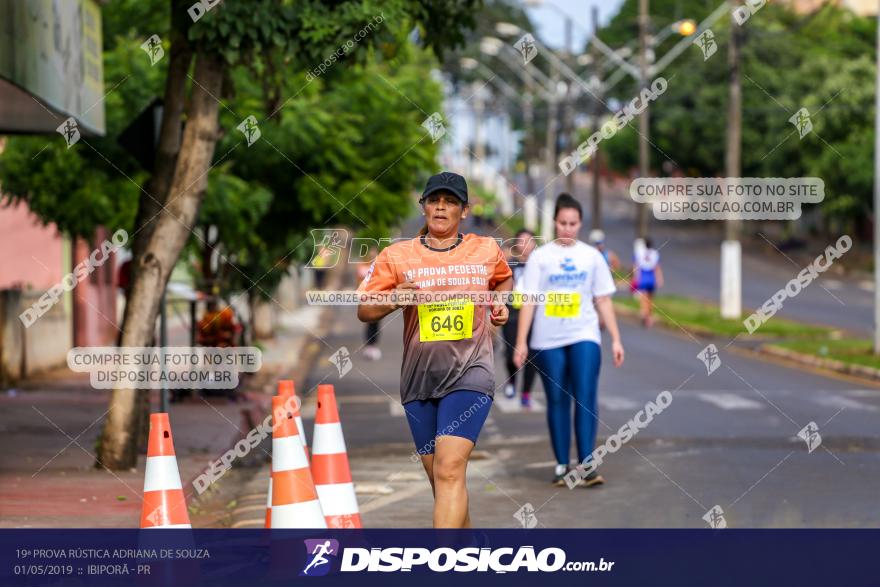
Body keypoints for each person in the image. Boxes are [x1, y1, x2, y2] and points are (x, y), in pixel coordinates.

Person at [357, 171, 513, 527]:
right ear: (424, 206)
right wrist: (396, 299)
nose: (441, 207)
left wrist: (499, 304)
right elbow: (365, 308)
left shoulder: (485, 249)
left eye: (451, 201)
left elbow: (503, 277)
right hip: (419, 379)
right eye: (434, 200)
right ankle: (468, 555)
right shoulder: (397, 255)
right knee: (443, 481)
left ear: (465, 211)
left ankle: (442, 564)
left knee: (449, 469)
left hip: (471, 371)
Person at [514, 193, 625, 487]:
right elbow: (529, 301)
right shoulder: (540, 256)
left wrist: (615, 338)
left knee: (586, 394)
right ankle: (562, 465)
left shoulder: (591, 257)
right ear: (554, 223)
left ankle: (587, 464)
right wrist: (522, 342)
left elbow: (602, 299)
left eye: (573, 223)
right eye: (562, 223)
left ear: (580, 224)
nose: (567, 228)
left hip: (583, 332)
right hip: (547, 337)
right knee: (557, 398)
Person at [501, 229, 538, 408]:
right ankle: (511, 381)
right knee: (510, 354)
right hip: (512, 313)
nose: (526, 245)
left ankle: (526, 392)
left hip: (534, 315)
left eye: (529, 241)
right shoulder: (510, 265)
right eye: (522, 241)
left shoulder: (540, 266)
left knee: (532, 356)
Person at [357, 247, 382, 360]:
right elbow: (359, 282)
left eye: (375, 253)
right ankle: (369, 346)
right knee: (369, 321)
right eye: (371, 253)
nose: (373, 255)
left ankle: (373, 346)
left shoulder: (380, 267)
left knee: (376, 322)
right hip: (366, 299)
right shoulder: (363, 267)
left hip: (377, 299)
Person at [635, 238, 664, 328]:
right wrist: (659, 278)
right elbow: (656, 267)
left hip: (643, 277)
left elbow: (636, 267)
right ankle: (649, 317)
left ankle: (644, 314)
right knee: (650, 299)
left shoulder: (639, 253)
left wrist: (636, 278)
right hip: (651, 277)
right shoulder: (654, 254)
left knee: (643, 298)